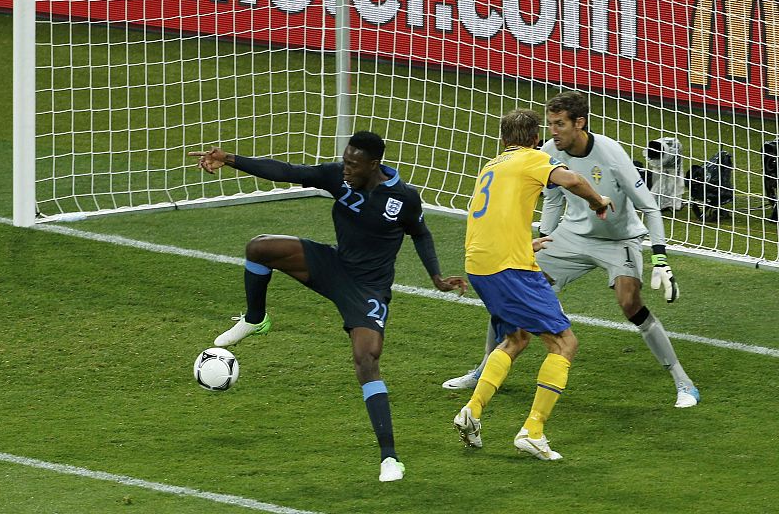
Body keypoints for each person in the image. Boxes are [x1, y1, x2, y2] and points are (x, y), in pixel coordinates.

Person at [189, 131, 466, 482]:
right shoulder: (338, 177)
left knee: (366, 360)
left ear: (373, 164)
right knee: (259, 248)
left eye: (353, 164)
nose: (346, 169)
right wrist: (230, 159)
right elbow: (288, 172)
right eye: (345, 161)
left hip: (367, 288)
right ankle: (255, 319)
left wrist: (436, 276)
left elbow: (421, 233)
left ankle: (389, 458)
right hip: (334, 265)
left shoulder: (403, 198)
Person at [443, 91, 701, 409]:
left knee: (630, 302)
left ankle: (683, 382)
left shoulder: (610, 153)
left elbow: (649, 207)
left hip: (619, 240)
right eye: (550, 124)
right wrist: (543, 241)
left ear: (579, 123)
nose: (552, 131)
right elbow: (552, 202)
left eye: (560, 124)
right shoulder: (548, 151)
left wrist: (660, 260)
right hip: (571, 236)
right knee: (513, 289)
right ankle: (484, 368)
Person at [452, 109, 612, 460]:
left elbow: (492, 217)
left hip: (479, 265)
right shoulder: (532, 158)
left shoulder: (491, 166)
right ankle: (533, 430)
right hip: (511, 268)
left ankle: (472, 411)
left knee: (516, 338)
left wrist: (525, 244)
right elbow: (572, 180)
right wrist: (597, 201)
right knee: (564, 343)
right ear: (536, 139)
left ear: (502, 139)